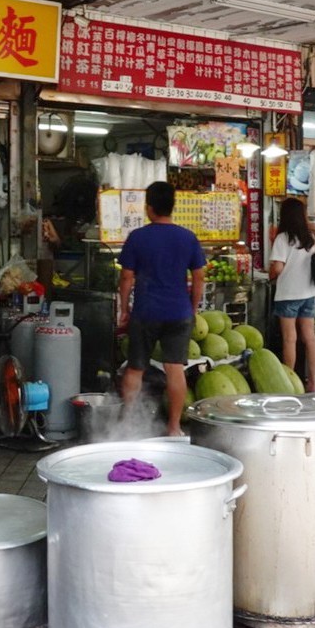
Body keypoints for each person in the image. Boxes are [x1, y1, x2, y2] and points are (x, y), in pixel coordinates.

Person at [117, 181, 206, 437]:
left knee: (135, 368)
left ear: (149, 207)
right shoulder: (188, 237)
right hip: (179, 313)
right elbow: (199, 277)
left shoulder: (138, 237)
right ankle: (174, 428)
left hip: (146, 312)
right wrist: (193, 307)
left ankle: (127, 425)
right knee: (175, 369)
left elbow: (126, 278)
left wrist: (124, 308)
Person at [268, 197, 315, 392]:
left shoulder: (283, 238)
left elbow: (278, 268)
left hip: (288, 294)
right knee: (310, 338)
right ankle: (313, 383)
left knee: (289, 338)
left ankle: (290, 384)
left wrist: (270, 272)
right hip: (309, 293)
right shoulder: (311, 237)